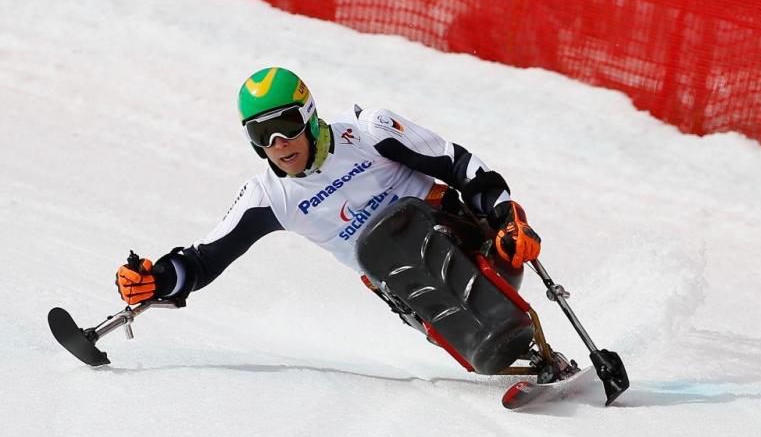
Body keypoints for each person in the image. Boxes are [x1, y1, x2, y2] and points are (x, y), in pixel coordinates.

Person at [115, 67, 541, 339]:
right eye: (261, 135)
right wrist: (156, 279)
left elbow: (456, 163)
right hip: (409, 285)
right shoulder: (268, 196)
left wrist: (504, 214)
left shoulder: (369, 133)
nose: (278, 144)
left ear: (310, 115)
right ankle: (501, 346)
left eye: (285, 125)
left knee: (410, 224)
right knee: (388, 256)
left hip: (466, 238)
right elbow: (204, 260)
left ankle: (509, 323)